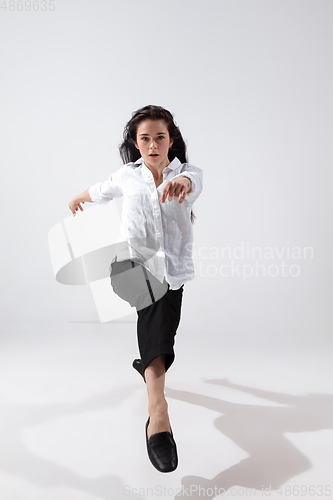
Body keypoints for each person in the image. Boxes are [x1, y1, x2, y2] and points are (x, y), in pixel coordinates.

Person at [68, 105, 203, 473]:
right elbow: (99, 190)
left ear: (171, 141)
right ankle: (157, 412)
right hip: (129, 267)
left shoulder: (187, 174)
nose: (153, 144)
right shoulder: (127, 176)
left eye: (160, 137)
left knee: (158, 328)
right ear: (136, 143)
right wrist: (78, 198)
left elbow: (194, 184)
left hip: (172, 273)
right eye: (145, 138)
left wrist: (180, 184)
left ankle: (147, 366)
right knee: (156, 313)